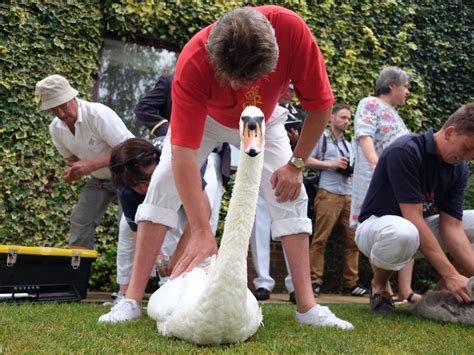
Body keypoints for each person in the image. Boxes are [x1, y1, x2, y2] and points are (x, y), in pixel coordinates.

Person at [100, 5, 353, 329]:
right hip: (206, 120)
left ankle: (307, 307)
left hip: (255, 121)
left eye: (244, 80)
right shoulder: (193, 60)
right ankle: (131, 300)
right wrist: (202, 230)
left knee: (291, 195)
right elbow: (183, 155)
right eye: (229, 79)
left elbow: (321, 106)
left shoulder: (292, 31)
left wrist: (296, 164)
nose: (235, 87)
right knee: (162, 182)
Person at [355, 103, 474, 315]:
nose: (469, 156)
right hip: (375, 229)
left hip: (415, 232)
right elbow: (413, 218)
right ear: (450, 133)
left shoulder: (458, 168)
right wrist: (450, 273)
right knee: (403, 231)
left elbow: (452, 227)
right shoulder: (406, 151)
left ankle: (437, 299)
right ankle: (380, 285)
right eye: (467, 148)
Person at [105, 138, 210, 306]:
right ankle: (125, 295)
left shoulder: (175, 162)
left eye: (148, 180)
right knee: (126, 227)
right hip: (173, 171)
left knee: (197, 230)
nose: (145, 188)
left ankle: (199, 292)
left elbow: (205, 210)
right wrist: (159, 257)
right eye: (136, 184)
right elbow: (138, 230)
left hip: (190, 168)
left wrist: (177, 255)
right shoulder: (126, 186)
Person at [35, 74, 134, 249]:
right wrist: (73, 171)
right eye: (53, 109)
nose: (60, 113)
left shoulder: (98, 114)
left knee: (127, 225)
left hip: (128, 173)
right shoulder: (55, 129)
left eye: (63, 105)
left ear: (73, 97)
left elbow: (127, 149)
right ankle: (76, 272)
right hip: (100, 179)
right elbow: (73, 160)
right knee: (80, 220)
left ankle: (140, 274)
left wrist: (90, 165)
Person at [349, 66, 420, 302]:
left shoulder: (394, 113)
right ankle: (383, 285)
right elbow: (364, 134)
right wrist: (375, 165)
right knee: (384, 230)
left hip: (398, 183)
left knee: (407, 226)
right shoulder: (370, 103)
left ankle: (405, 290)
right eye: (405, 87)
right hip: (377, 183)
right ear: (391, 86)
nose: (407, 92)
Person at [134, 73, 230, 234]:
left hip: (214, 158)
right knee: (172, 215)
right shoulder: (171, 80)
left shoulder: (228, 86)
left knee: (208, 217)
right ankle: (170, 259)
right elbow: (143, 108)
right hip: (181, 151)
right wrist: (170, 132)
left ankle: (202, 258)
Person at [306, 104, 369, 297]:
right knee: (320, 239)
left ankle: (351, 284)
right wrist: (331, 164)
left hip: (349, 194)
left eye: (349, 118)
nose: (346, 121)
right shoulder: (321, 139)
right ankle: (314, 281)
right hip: (328, 193)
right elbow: (304, 159)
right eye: (342, 117)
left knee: (353, 241)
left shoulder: (350, 145)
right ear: (331, 118)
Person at [250, 106, 294, 303]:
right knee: (259, 227)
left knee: (291, 223)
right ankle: (263, 283)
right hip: (259, 170)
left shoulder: (297, 114)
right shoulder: (256, 105)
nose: (289, 92)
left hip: (284, 173)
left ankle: (295, 285)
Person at [279, 82, 306, 149]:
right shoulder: (265, 109)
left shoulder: (301, 116)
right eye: (285, 88)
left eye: (291, 90)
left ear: (295, 94)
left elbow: (304, 148)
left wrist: (296, 142)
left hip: (288, 156)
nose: (287, 93)